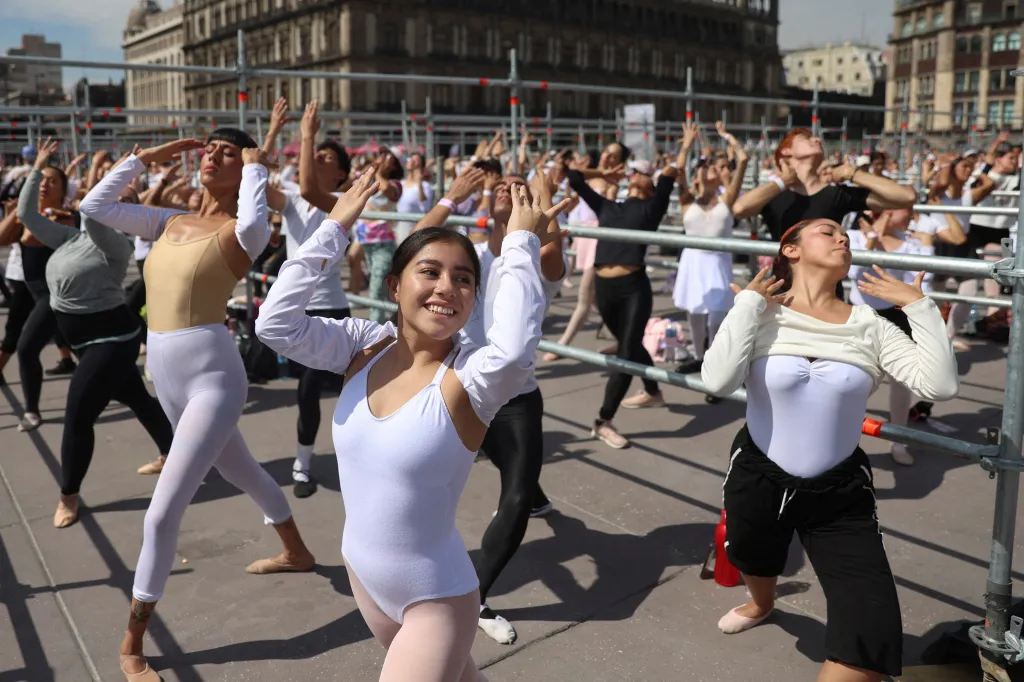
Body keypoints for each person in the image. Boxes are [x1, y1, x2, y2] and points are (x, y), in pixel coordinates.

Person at [256, 172, 563, 682]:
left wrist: (519, 242)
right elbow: (274, 325)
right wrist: (333, 229)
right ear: (395, 286)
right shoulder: (363, 345)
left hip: (436, 599)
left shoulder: (471, 377)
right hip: (365, 580)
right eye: (430, 271)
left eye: (463, 279)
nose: (447, 287)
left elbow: (513, 352)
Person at [78, 132, 316, 682]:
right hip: (166, 375)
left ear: (246, 166)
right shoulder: (168, 221)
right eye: (209, 148)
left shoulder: (240, 230)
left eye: (228, 152)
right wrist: (142, 159)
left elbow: (255, 227)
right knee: (243, 471)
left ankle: (133, 640)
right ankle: (297, 552)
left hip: (214, 379)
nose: (212, 155)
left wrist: (256, 168)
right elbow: (95, 206)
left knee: (161, 514)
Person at [702, 218, 958, 682]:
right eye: (827, 230)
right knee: (753, 555)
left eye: (845, 234)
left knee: (870, 633)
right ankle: (762, 603)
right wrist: (747, 305)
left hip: (840, 491)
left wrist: (919, 307)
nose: (842, 237)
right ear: (791, 249)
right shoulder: (761, 313)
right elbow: (717, 381)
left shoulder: (871, 325)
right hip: (757, 473)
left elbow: (938, 386)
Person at [413, 168, 570, 643]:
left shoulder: (536, 255)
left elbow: (552, 254)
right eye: (501, 185)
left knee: (515, 497)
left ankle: (474, 599)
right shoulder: (473, 256)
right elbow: (416, 246)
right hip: (459, 390)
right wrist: (450, 197)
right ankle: (535, 493)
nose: (507, 188)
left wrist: (542, 199)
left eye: (518, 186)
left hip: (516, 398)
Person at [16, 139, 174, 527]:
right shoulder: (70, 238)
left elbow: (91, 210)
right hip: (85, 343)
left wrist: (120, 171)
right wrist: (37, 167)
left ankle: (68, 495)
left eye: (125, 201)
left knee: (78, 415)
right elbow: (26, 215)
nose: (116, 203)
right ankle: (176, 455)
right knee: (139, 399)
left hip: (111, 341)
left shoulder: (115, 246)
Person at [260, 98, 352, 498]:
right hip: (302, 308)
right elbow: (254, 183)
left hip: (333, 307)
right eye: (315, 152)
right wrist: (272, 133)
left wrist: (307, 134)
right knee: (308, 388)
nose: (316, 156)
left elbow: (312, 187)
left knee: (353, 389)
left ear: (341, 173)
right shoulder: (293, 199)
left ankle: (365, 457)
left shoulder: (344, 201)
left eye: (326, 156)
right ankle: (303, 463)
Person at [565, 144, 678, 449]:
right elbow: (573, 176)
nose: (634, 174)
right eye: (633, 171)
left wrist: (680, 152)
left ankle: (603, 420)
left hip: (633, 289)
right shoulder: (608, 207)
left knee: (626, 354)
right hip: (605, 289)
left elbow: (670, 173)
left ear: (650, 181)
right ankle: (653, 392)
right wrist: (602, 172)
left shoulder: (652, 207)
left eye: (641, 172)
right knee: (632, 345)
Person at [0, 158, 78, 431]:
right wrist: (19, 210)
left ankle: (31, 411)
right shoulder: (29, 213)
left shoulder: (65, 216)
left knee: (27, 347)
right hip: (30, 289)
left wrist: (23, 212)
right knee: (85, 348)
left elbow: (29, 238)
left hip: (57, 294)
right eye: (41, 179)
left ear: (63, 190)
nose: (45, 184)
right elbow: (2, 237)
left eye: (52, 181)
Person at [733, 128, 917, 242]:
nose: (817, 140)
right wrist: (784, 182)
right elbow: (740, 208)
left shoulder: (836, 194)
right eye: (807, 138)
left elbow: (907, 197)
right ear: (787, 151)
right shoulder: (774, 193)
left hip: (828, 289)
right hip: (785, 289)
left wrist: (852, 174)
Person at [673, 121, 748, 382]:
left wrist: (727, 136)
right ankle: (698, 356)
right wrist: (686, 145)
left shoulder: (727, 198)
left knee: (716, 320)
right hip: (692, 263)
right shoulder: (687, 200)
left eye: (713, 167)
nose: (708, 170)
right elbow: (679, 169)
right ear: (696, 176)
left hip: (717, 264)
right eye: (704, 167)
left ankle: (715, 366)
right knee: (694, 316)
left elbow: (743, 158)